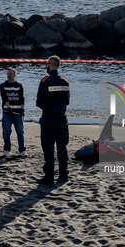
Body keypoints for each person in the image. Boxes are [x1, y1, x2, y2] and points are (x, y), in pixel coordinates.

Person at [36, 55, 70, 184]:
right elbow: (67, 101)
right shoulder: (65, 81)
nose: (46, 65)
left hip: (49, 119)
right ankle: (63, 174)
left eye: (47, 63)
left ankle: (49, 176)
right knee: (62, 148)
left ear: (51, 65)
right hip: (62, 119)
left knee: (48, 148)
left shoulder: (45, 81)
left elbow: (39, 102)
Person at [0, 68, 27, 158]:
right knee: (6, 132)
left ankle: (22, 150)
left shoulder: (19, 85)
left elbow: (22, 98)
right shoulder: (3, 85)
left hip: (17, 112)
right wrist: (9, 107)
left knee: (20, 132)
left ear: (14, 75)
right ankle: (7, 149)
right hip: (7, 112)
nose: (9, 75)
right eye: (8, 73)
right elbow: (4, 98)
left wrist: (22, 109)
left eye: (11, 73)